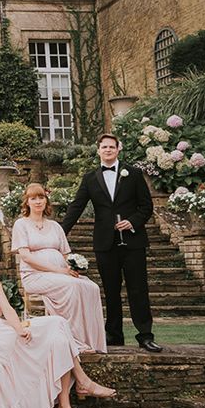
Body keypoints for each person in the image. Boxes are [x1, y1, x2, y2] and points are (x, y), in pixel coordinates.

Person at [0, 234, 115, 408]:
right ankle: (80, 387)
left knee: (58, 325)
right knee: (51, 338)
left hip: (3, 327)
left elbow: (7, 309)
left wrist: (18, 327)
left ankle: (65, 406)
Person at [60, 133, 161, 352]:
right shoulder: (90, 178)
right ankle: (114, 335)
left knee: (138, 289)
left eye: (111, 147)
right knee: (110, 290)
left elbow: (146, 207)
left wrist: (132, 222)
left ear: (118, 150)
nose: (107, 150)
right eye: (104, 147)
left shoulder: (133, 174)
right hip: (105, 243)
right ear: (98, 150)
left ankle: (145, 335)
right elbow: (77, 207)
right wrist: (58, 233)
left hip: (133, 242)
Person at [12, 183, 106, 353]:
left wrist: (74, 265)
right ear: (27, 202)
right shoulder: (21, 224)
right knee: (72, 286)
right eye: (33, 198)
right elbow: (26, 256)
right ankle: (71, 340)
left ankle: (90, 340)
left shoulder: (55, 226)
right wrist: (60, 271)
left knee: (90, 287)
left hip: (60, 274)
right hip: (35, 276)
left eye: (41, 197)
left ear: (46, 201)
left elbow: (65, 255)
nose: (38, 201)